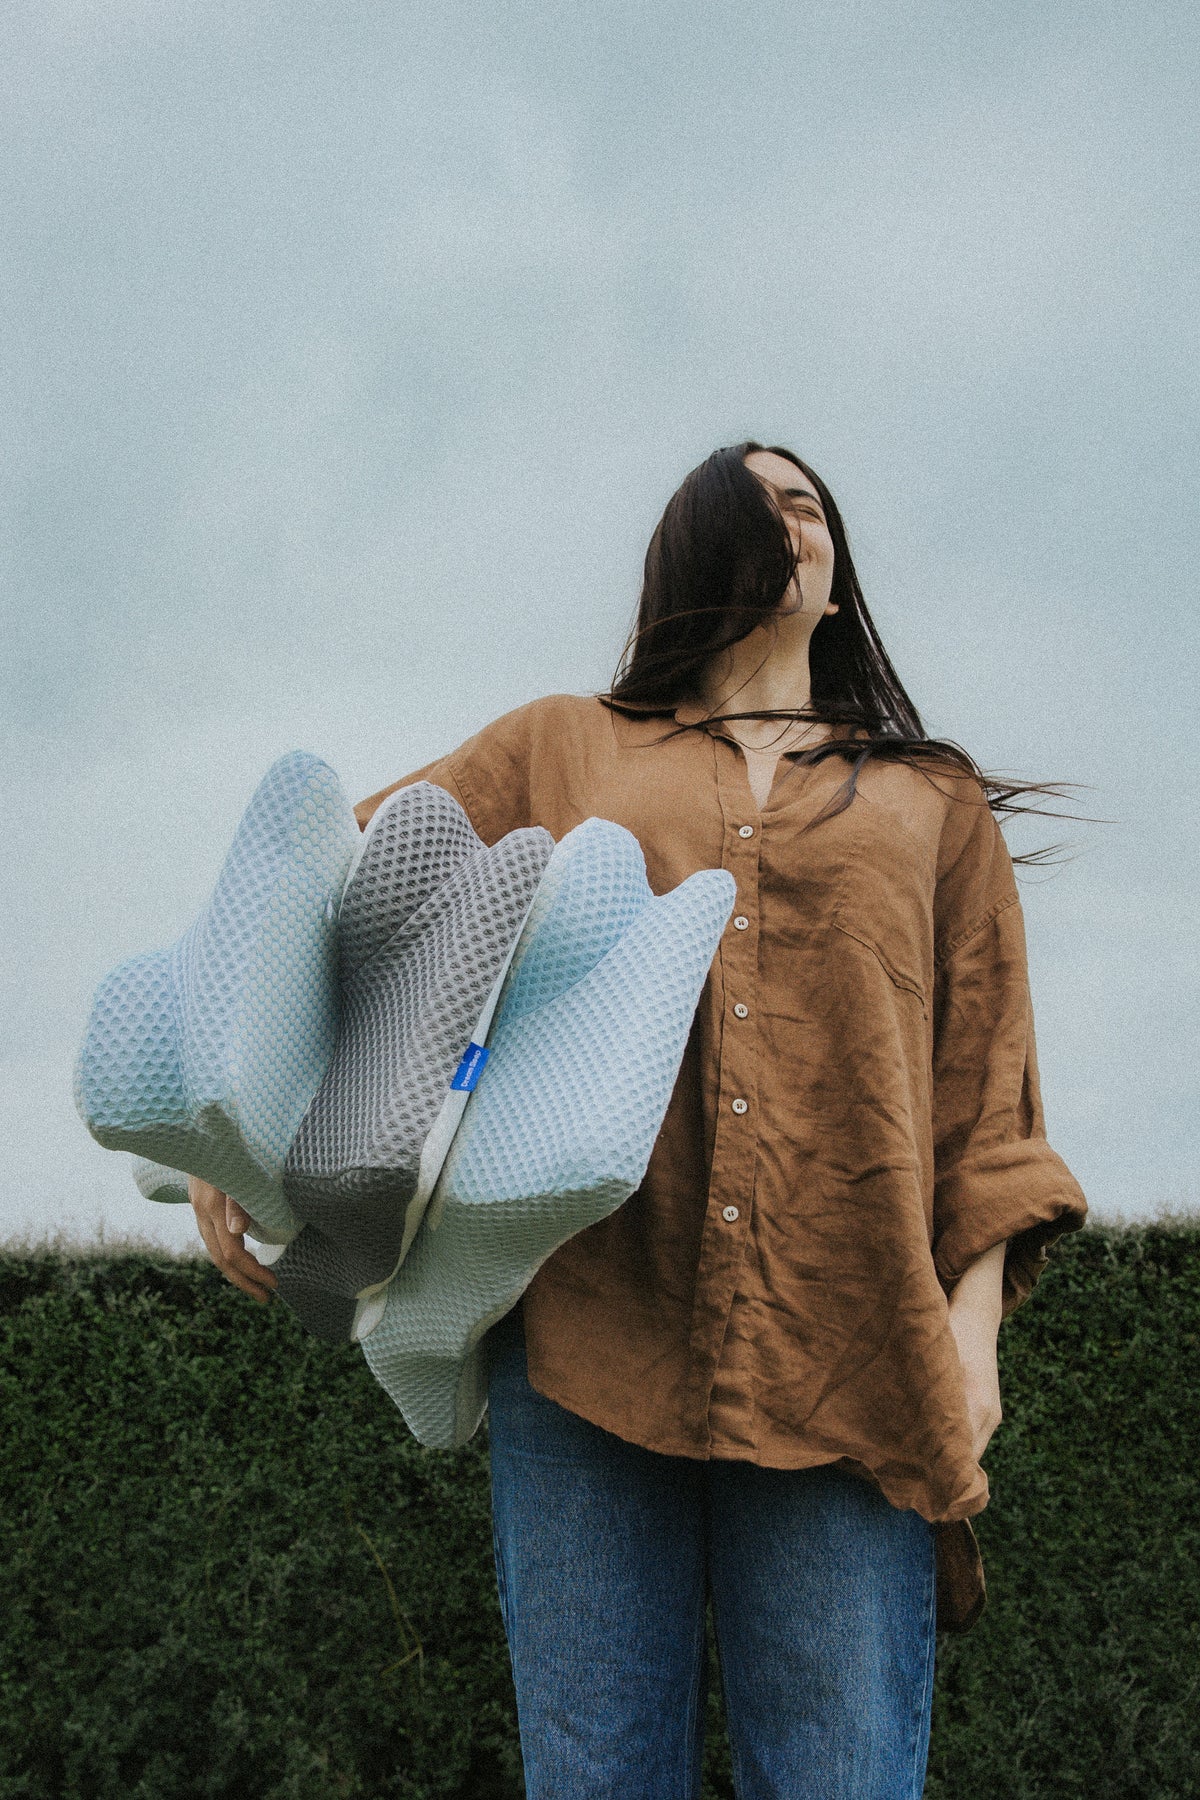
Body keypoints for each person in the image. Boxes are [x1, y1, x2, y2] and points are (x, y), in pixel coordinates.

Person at [190, 441, 1088, 1799]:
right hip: (586, 1345)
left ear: (838, 570)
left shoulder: (932, 800)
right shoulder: (567, 746)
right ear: (693, 550)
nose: (791, 526)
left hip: (855, 1359)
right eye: (758, 506)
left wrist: (972, 1340)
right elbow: (343, 878)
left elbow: (989, 1089)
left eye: (810, 507)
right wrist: (242, 1122)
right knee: (597, 1780)